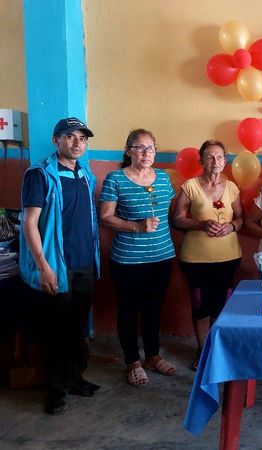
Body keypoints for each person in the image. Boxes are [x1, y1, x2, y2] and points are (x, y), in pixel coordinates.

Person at [19, 117, 100, 414]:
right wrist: (43, 266)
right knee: (57, 330)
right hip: (57, 264)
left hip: (84, 262)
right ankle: (56, 390)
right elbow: (29, 223)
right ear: (56, 140)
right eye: (70, 137)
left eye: (82, 138)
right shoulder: (40, 174)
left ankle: (75, 378)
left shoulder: (85, 173)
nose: (77, 143)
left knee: (78, 327)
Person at [98, 129, 176, 387]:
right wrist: (136, 226)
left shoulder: (163, 178)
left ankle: (153, 356)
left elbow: (170, 215)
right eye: (140, 148)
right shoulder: (115, 179)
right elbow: (105, 217)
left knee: (154, 308)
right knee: (129, 311)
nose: (145, 153)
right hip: (128, 260)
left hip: (162, 257)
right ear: (128, 150)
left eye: (150, 148)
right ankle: (132, 361)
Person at [173, 140, 242, 371]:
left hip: (228, 258)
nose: (215, 161)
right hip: (195, 260)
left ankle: (219, 350)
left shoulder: (232, 187)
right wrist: (200, 224)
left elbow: (240, 219)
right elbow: (177, 219)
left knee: (222, 305)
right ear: (201, 161)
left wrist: (231, 226)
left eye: (220, 156)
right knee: (200, 305)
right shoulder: (190, 186)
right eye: (210, 157)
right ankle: (202, 350)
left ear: (225, 160)